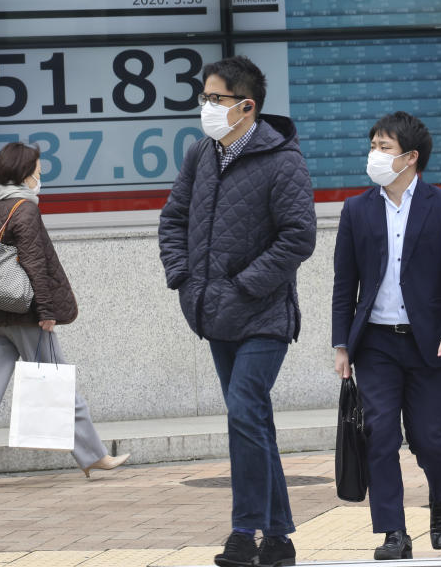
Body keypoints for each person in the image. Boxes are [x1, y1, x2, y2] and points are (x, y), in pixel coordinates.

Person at [158, 55, 316, 567]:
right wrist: (184, 279)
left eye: (215, 99)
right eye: (203, 98)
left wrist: (245, 286)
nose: (205, 107)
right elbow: (173, 219)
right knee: (255, 420)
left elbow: (299, 237)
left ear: (246, 107)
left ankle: (243, 531)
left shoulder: (281, 160)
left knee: (244, 409)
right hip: (214, 314)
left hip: (264, 314)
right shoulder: (201, 155)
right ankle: (279, 537)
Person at [0, 142, 129, 487]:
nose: (39, 176)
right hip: (24, 314)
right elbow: (33, 263)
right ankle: (94, 456)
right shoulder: (25, 209)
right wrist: (46, 310)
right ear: (25, 173)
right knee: (58, 382)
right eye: (37, 170)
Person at [331, 112, 441, 560]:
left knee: (427, 437)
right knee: (379, 435)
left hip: (429, 342)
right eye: (373, 145)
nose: (374, 155)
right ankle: (393, 531)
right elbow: (344, 283)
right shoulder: (357, 210)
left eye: (384, 147)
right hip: (374, 343)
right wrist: (341, 343)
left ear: (410, 158)